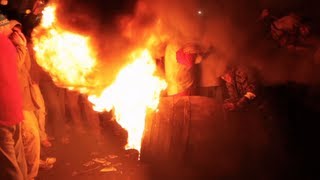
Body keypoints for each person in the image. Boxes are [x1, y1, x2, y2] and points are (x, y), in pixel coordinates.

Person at [0, 31, 27, 180]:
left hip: (2, 115)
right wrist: (22, 46)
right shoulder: (8, 45)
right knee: (18, 157)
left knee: (9, 167)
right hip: (14, 110)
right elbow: (16, 64)